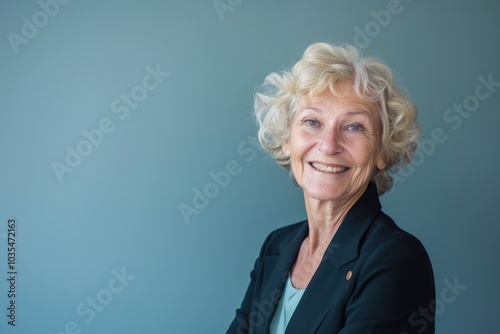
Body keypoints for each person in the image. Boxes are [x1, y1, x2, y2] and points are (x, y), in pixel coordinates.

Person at [226, 42, 435, 334]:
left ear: (382, 151)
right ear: (287, 139)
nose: (328, 145)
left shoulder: (395, 259)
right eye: (312, 122)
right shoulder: (277, 246)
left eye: (354, 127)